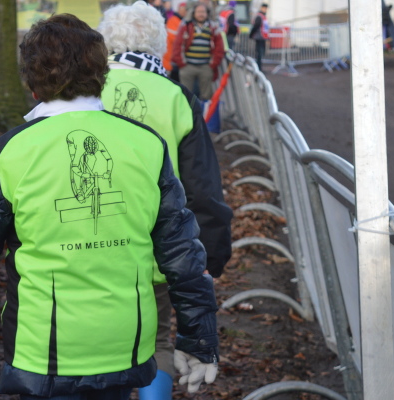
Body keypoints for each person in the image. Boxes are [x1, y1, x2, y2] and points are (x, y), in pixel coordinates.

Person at [0, 13, 219, 400]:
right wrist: (199, 335)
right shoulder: (146, 144)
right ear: (101, 73)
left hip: (44, 349)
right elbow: (181, 251)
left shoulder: (13, 150)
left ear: (32, 83)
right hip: (125, 342)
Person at [97, 2, 232, 399]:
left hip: (91, 237)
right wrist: (212, 253)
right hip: (159, 246)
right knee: (153, 341)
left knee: (100, 343)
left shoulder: (83, 92)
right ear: (159, 43)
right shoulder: (176, 98)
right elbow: (201, 185)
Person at [173, 2, 224, 100]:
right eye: (199, 12)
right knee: (185, 95)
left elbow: (219, 48)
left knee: (206, 95)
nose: (201, 14)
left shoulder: (213, 27)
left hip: (206, 67)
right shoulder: (186, 26)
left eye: (203, 12)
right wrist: (181, 63)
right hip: (187, 66)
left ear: (207, 13)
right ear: (193, 13)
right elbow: (177, 45)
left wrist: (213, 64)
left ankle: (205, 114)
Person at [164, 0, 188, 80]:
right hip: (171, 58)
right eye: (184, 10)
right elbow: (174, 39)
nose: (185, 12)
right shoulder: (174, 21)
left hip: (175, 58)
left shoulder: (182, 21)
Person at [248, 3, 269, 71]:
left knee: (260, 53)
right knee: (259, 54)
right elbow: (256, 26)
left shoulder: (262, 16)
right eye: (264, 8)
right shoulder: (260, 16)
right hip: (259, 37)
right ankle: (258, 69)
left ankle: (259, 68)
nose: (265, 10)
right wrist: (251, 35)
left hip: (262, 37)